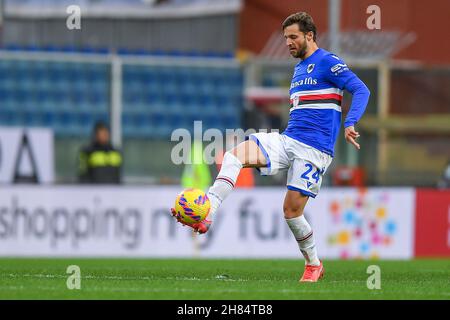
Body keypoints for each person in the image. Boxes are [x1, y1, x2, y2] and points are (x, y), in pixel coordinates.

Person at [171, 12, 370, 282]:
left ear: (309, 35)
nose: (288, 42)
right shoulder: (299, 69)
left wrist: (350, 122)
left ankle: (314, 264)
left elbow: (361, 90)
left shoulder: (327, 61)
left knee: (291, 212)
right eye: (285, 37)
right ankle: (206, 214)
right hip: (288, 139)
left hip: (314, 150)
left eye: (293, 37)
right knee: (234, 155)